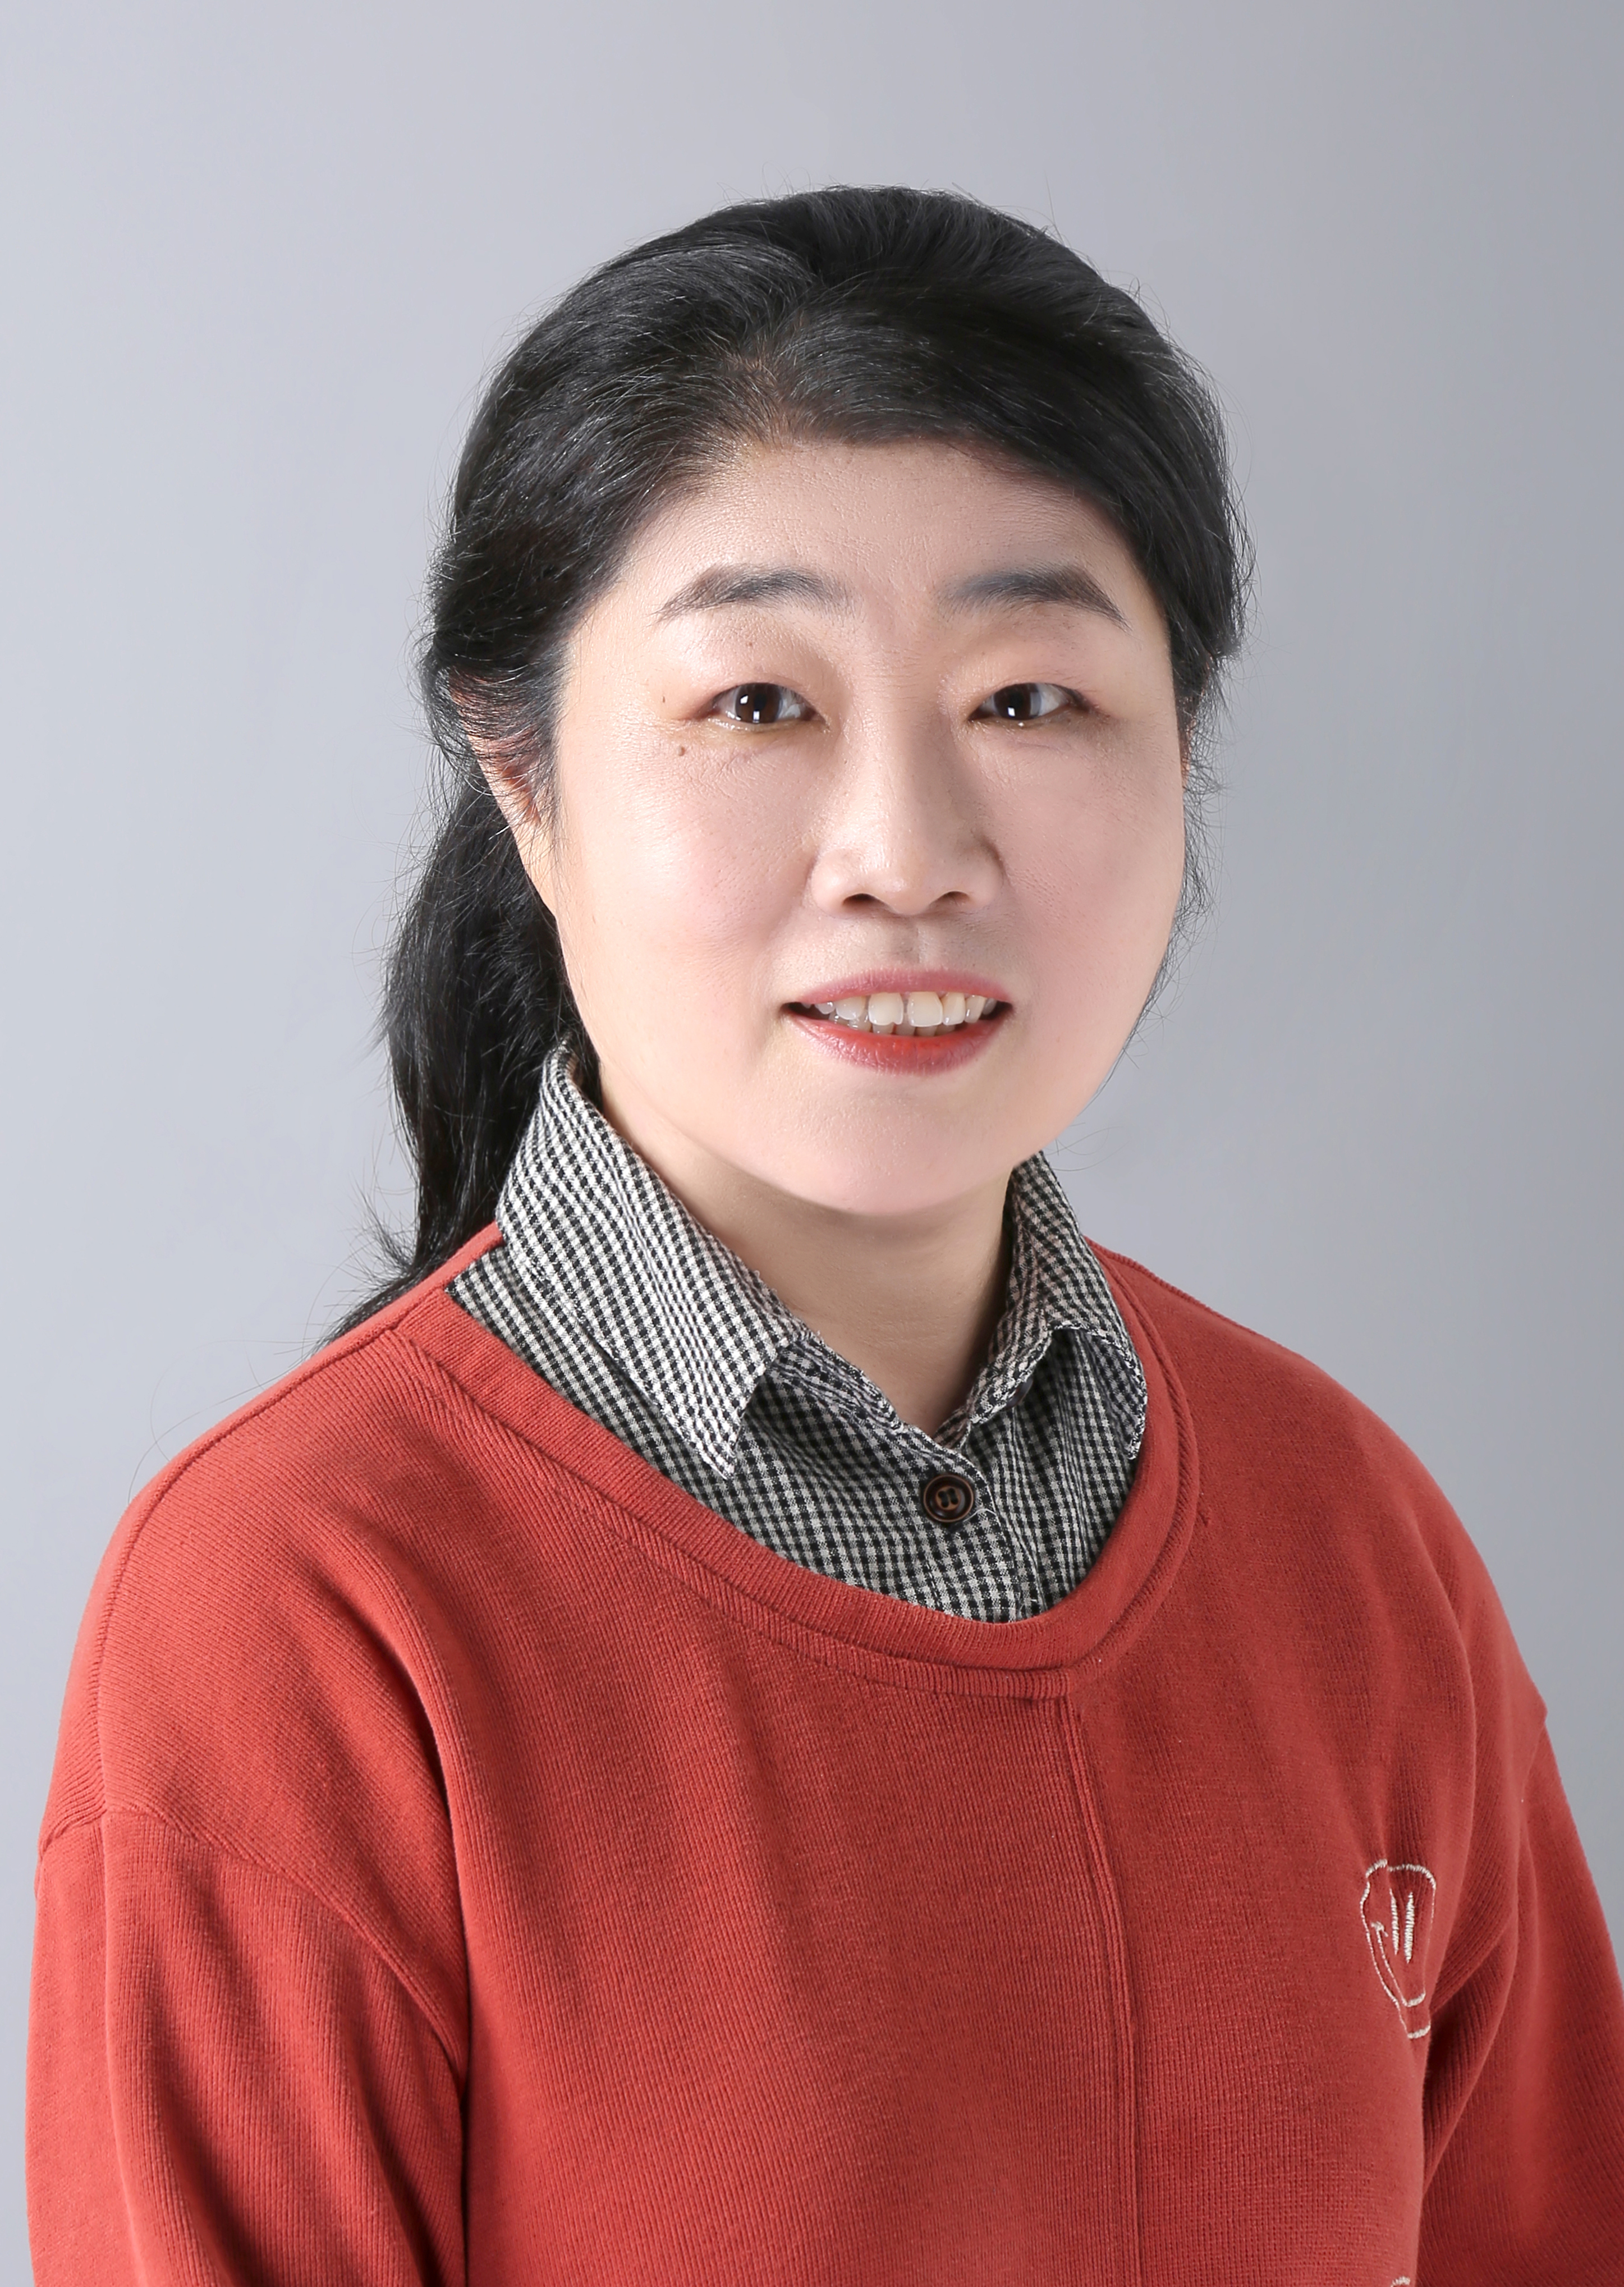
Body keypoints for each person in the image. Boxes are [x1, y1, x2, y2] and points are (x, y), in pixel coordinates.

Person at [26, 187, 1624, 2284]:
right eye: (760, 704)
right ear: (524, 779)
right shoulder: (304, 1613)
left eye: (1029, 700)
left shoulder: (1353, 1543)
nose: (905, 852)